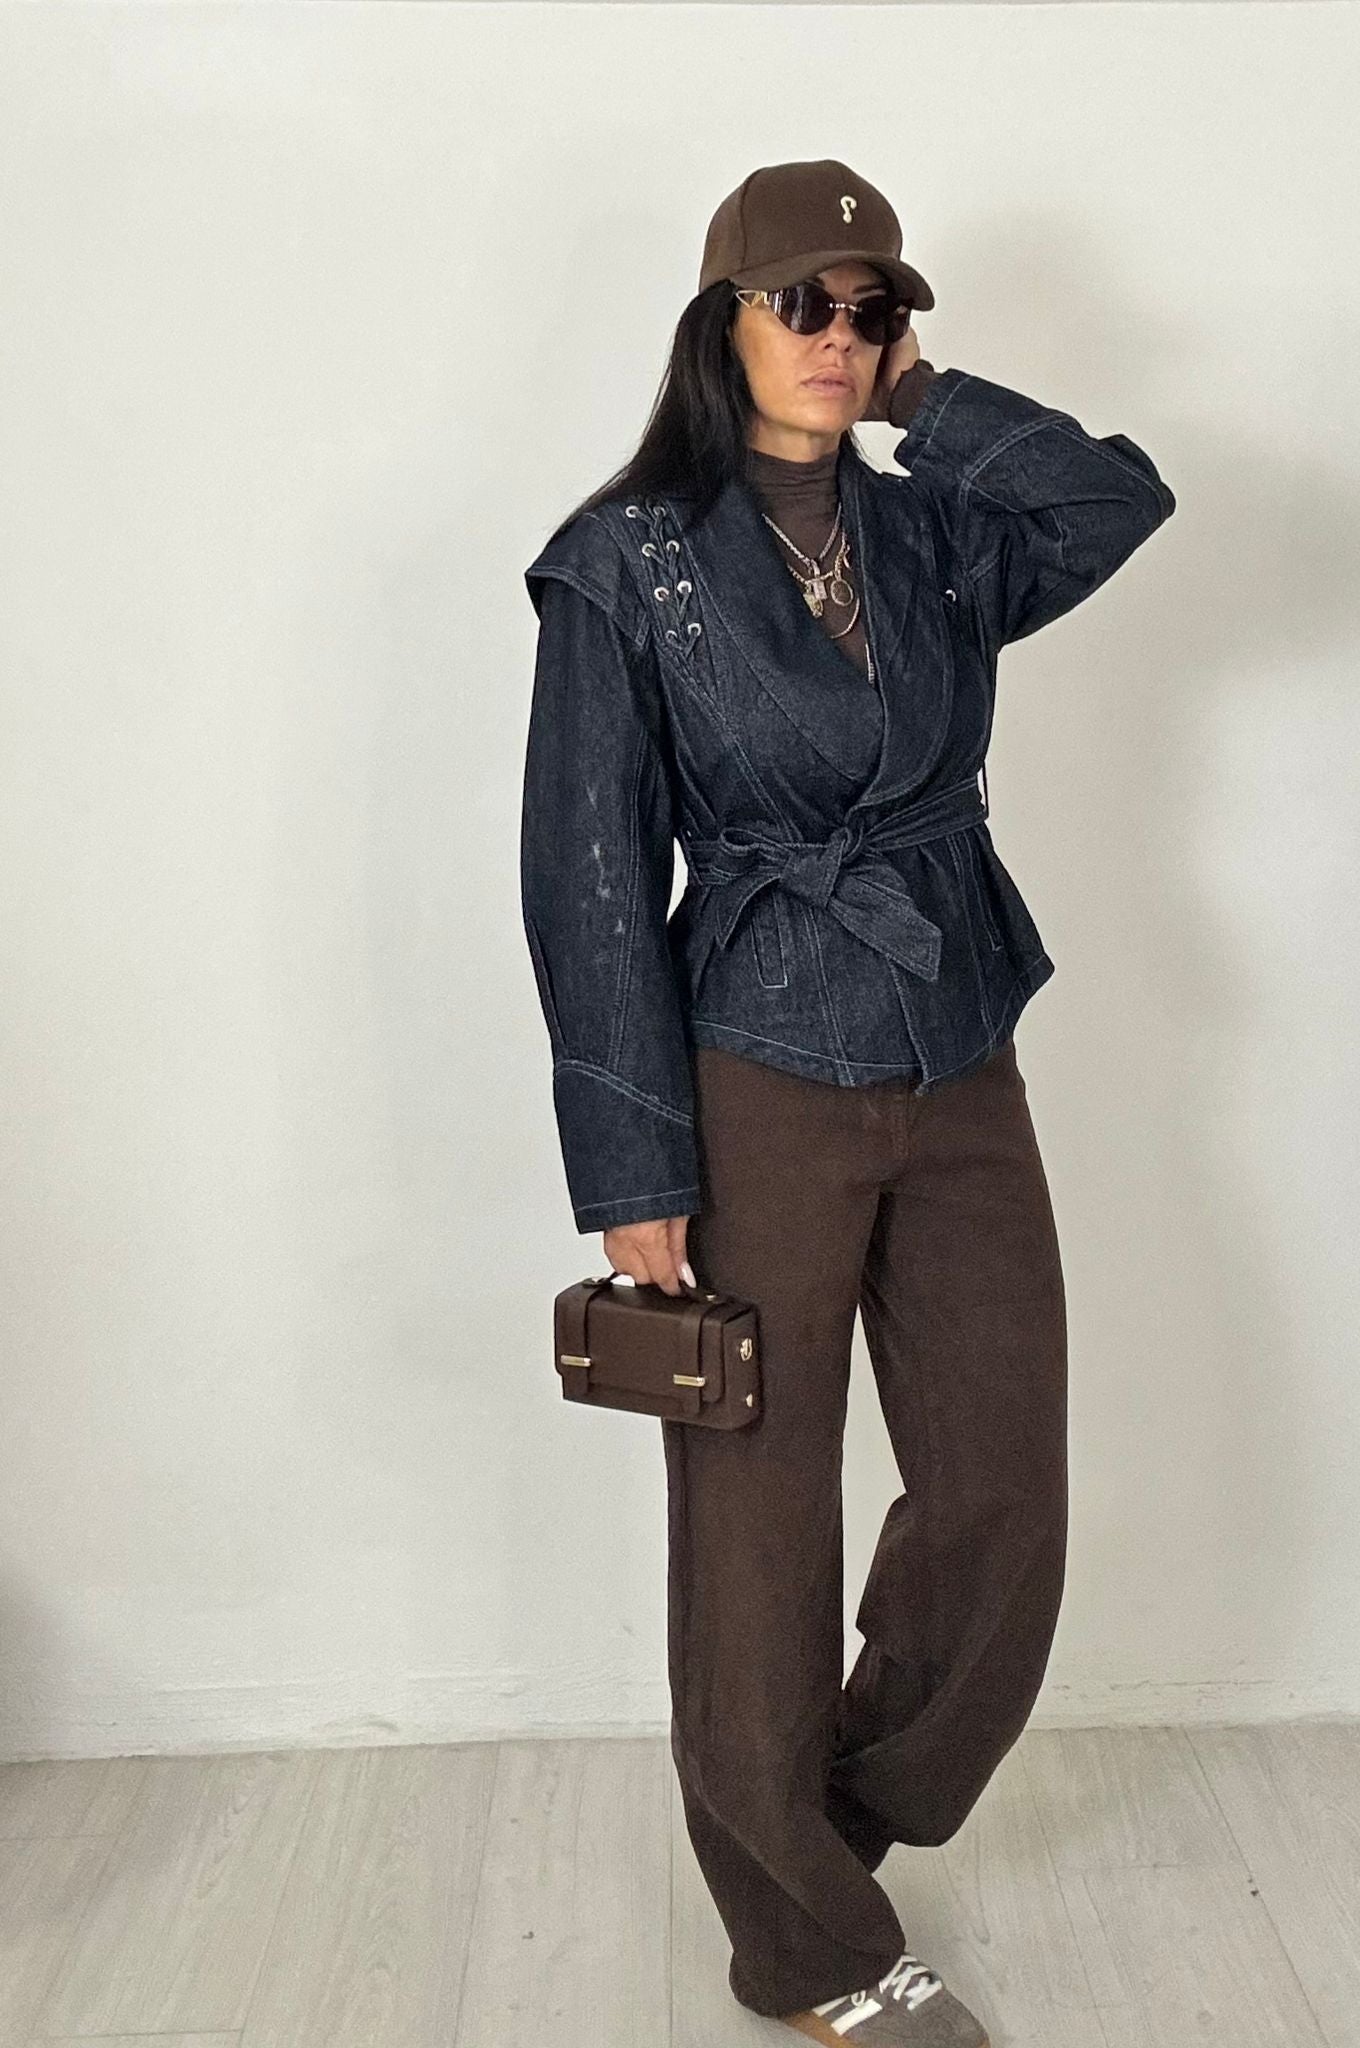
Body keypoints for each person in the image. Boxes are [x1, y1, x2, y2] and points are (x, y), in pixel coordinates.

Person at [519, 159, 1175, 2046]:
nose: (834, 333)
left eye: (870, 307)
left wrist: (922, 403)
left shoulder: (938, 532)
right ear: (718, 322)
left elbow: (1112, 498)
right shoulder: (624, 560)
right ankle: (805, 1945)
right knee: (757, 1525)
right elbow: (585, 876)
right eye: (798, 301)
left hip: (959, 1045)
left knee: (1000, 1489)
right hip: (752, 1072)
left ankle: (819, 1818)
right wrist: (631, 1160)